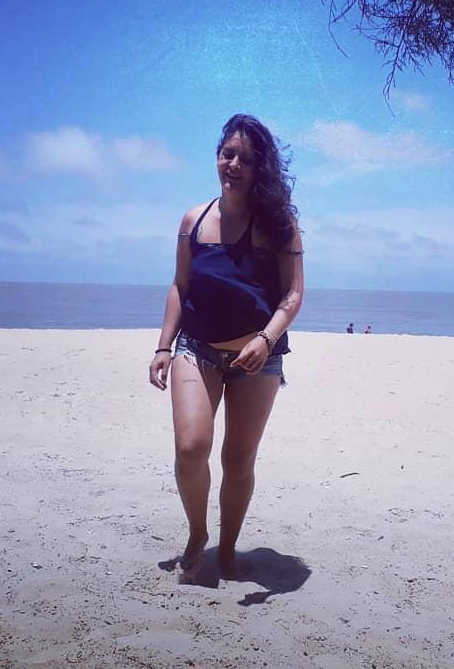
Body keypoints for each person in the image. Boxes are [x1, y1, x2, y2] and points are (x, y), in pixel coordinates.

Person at [149, 114, 304, 577]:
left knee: (238, 460)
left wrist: (266, 339)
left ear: (261, 168)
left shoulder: (279, 225)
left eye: (246, 159)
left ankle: (229, 548)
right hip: (196, 348)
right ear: (217, 157)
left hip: (259, 359)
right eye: (227, 154)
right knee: (191, 447)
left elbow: (293, 294)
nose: (233, 165)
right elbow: (180, 286)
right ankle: (198, 533)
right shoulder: (193, 220)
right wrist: (163, 347)